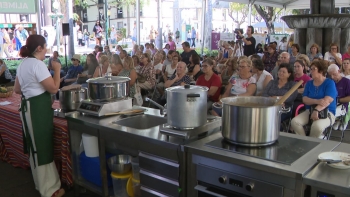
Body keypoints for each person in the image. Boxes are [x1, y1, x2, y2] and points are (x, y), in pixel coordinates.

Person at [14, 35, 65, 197]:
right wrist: (57, 70)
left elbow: (17, 89)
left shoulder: (23, 64)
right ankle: (50, 190)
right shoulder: (38, 64)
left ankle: (41, 185)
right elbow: (54, 88)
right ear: (39, 48)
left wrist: (32, 89)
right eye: (45, 47)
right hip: (37, 111)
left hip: (28, 108)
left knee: (34, 147)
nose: (47, 50)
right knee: (42, 147)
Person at [291, 60, 337, 138]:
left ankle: (312, 143)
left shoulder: (329, 83)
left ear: (321, 70)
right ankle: (305, 141)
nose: (311, 71)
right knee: (294, 122)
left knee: (317, 126)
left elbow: (327, 100)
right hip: (309, 110)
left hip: (327, 112)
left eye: (313, 69)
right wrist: (317, 101)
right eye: (310, 69)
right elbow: (304, 99)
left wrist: (316, 110)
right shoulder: (309, 83)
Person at [327, 64, 350, 130]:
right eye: (330, 75)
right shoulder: (329, 81)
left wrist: (338, 100)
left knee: (328, 113)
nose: (332, 77)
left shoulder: (347, 82)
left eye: (334, 74)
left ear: (339, 71)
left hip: (341, 105)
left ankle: (337, 121)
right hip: (330, 104)